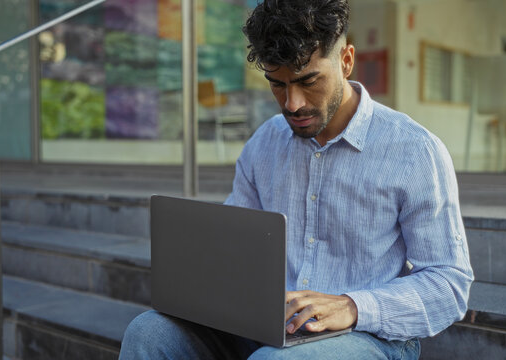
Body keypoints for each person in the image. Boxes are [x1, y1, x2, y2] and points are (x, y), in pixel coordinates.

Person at [119, 0, 473, 359]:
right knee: (149, 333)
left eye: (308, 81)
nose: (292, 103)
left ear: (346, 61)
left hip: (368, 335)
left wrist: (351, 306)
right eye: (278, 85)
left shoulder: (414, 150)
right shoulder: (264, 143)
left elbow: (449, 284)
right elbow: (234, 251)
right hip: (267, 326)